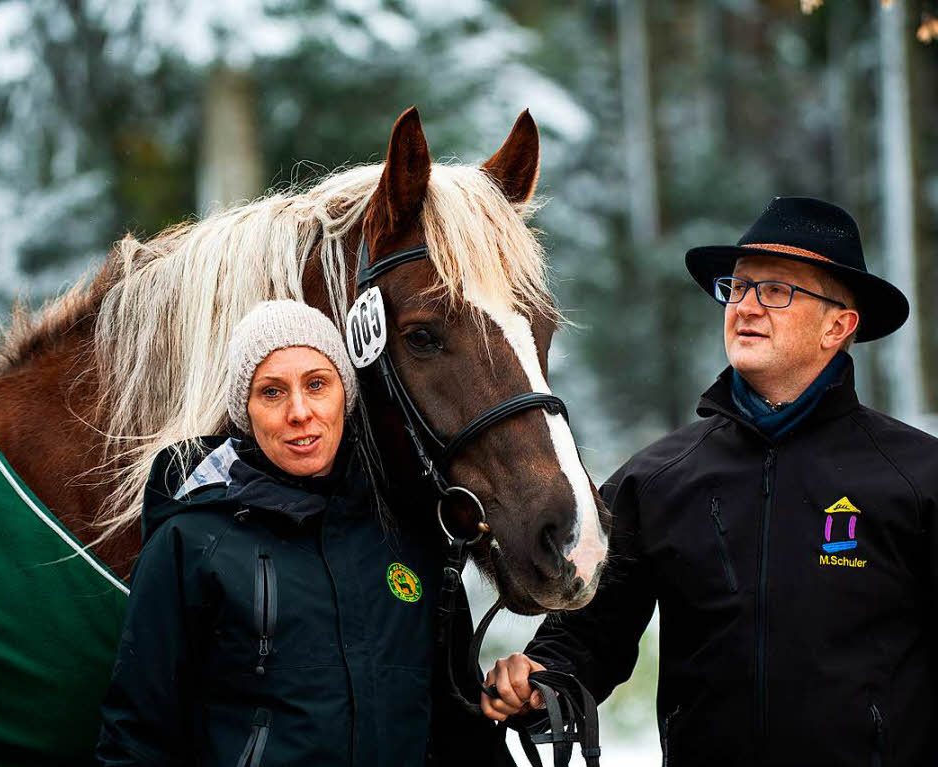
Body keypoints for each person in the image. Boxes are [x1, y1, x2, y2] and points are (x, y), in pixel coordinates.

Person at [482, 197, 937, 766]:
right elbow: (585, 638)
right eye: (738, 287)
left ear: (837, 326)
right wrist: (540, 678)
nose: (745, 307)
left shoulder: (918, 476)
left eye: (777, 291)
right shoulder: (656, 479)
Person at [96, 299, 507, 767]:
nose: (299, 412)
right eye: (272, 392)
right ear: (245, 411)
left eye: (317, 384)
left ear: (345, 396)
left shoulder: (409, 535)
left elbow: (462, 727)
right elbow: (135, 736)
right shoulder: (190, 543)